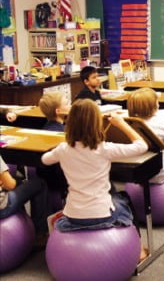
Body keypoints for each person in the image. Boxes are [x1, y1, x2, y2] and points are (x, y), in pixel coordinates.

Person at [41, 99, 148, 260]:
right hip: (101, 214)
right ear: (96, 123)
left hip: (73, 215)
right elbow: (142, 146)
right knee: (123, 198)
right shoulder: (104, 149)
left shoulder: (63, 149)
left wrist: (64, 150)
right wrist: (121, 124)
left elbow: (45, 160)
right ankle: (138, 248)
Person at [0, 155, 49, 245]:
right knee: (40, 184)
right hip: (2, 208)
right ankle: (40, 235)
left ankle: (25, 220)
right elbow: (10, 185)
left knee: (18, 181)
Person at [38, 92, 70, 209]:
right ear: (58, 111)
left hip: (45, 177)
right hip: (59, 180)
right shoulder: (63, 134)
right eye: (67, 103)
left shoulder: (44, 129)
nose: (70, 105)